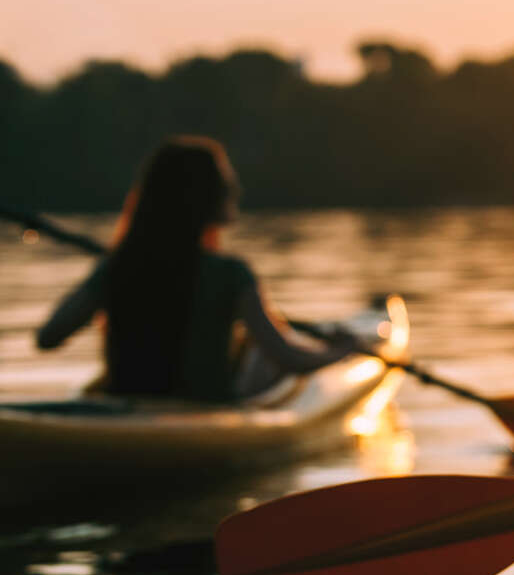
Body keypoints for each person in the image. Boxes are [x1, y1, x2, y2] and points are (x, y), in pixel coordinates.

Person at [36, 136, 356, 401]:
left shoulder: (118, 267)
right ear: (204, 197)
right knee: (260, 354)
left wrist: (110, 269)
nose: (236, 191)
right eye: (225, 183)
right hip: (203, 414)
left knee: (252, 349)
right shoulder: (232, 274)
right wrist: (342, 352)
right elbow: (289, 359)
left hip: (125, 409)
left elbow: (48, 337)